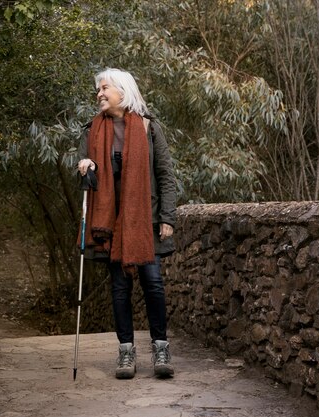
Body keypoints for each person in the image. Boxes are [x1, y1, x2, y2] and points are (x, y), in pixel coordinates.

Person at [77, 68, 177, 379]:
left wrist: (167, 218)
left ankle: (160, 347)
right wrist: (83, 165)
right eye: (99, 90)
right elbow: (82, 172)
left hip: (144, 220)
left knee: (153, 283)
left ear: (123, 90)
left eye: (105, 88)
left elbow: (166, 177)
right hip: (111, 224)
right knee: (120, 288)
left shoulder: (148, 128)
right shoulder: (91, 130)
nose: (100, 94)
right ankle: (126, 352)